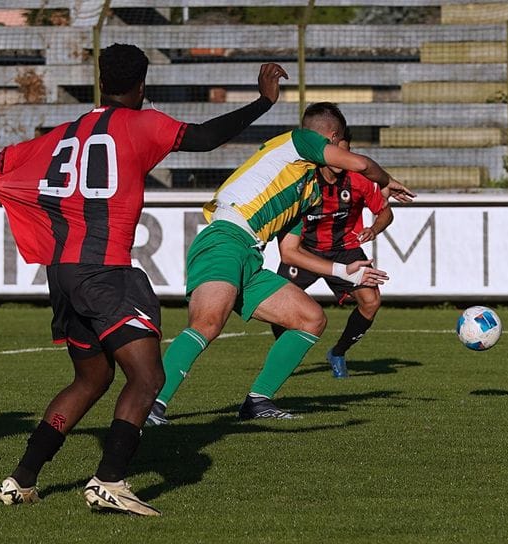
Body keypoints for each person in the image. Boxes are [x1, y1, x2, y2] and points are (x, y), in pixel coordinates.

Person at [0, 43, 287, 516]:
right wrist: (263, 102)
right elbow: (207, 136)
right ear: (142, 84)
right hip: (105, 270)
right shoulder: (143, 124)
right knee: (149, 375)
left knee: (91, 378)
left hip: (63, 272)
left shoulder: (65, 133)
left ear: (101, 80)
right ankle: (109, 480)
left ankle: (21, 479)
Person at [146, 102, 414, 425]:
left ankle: (258, 401)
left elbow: (290, 252)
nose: (346, 157)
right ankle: (149, 407)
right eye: (342, 144)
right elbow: (361, 163)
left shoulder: (309, 190)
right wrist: (385, 181)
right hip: (225, 240)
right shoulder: (299, 142)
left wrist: (344, 271)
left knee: (311, 318)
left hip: (249, 256)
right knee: (208, 323)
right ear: (331, 139)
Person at [271, 133, 393, 378]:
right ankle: (285, 355)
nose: (342, 160)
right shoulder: (304, 180)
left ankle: (338, 352)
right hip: (304, 250)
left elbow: (386, 212)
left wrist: (374, 228)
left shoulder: (358, 180)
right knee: (279, 303)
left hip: (345, 250)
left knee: (371, 301)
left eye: (347, 154)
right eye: (338, 154)